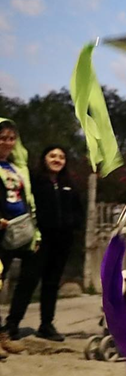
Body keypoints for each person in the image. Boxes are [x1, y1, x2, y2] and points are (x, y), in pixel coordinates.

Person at [3, 145, 83, 343]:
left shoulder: (69, 184)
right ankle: (12, 324)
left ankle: (46, 325)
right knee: (28, 281)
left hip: (63, 241)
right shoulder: (34, 181)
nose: (57, 160)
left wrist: (73, 224)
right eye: (52, 156)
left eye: (61, 157)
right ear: (44, 159)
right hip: (39, 240)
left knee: (52, 283)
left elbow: (79, 211)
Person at [0, 119, 37, 357]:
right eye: (2, 138)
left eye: (11, 138)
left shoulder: (16, 167)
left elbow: (27, 197)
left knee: (25, 276)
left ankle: (5, 333)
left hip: (18, 230)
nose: (7, 142)